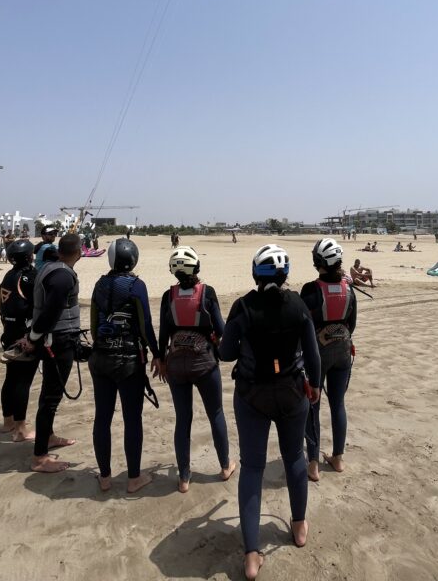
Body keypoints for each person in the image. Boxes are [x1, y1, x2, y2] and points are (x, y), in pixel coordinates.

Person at [219, 244, 321, 580]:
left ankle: (251, 555)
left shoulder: (243, 306)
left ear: (256, 274)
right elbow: (312, 352)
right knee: (294, 457)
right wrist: (316, 385)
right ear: (285, 274)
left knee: (252, 467)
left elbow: (226, 353)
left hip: (252, 395)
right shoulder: (298, 304)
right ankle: (299, 525)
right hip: (292, 392)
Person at [88, 238, 163, 493]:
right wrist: (156, 352)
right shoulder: (136, 285)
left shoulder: (99, 284)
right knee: (132, 420)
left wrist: (102, 346)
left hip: (100, 359)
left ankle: (105, 477)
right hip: (130, 360)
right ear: (134, 260)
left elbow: (95, 323)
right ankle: (133, 479)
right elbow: (145, 324)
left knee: (102, 418)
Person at [159, 246, 235, 493]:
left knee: (183, 419)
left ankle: (183, 478)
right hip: (204, 363)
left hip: (175, 364)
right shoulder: (207, 292)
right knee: (215, 414)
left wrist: (160, 359)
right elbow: (222, 330)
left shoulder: (167, 296)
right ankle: (225, 466)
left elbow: (163, 336)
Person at [16, 233, 84, 473]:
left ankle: (49, 437)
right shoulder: (62, 275)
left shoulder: (50, 267)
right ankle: (40, 458)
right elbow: (51, 311)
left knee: (50, 395)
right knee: (50, 399)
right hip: (57, 342)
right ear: (79, 251)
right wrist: (33, 337)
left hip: (54, 340)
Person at [302, 239, 356, 482]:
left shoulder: (311, 290)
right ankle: (338, 458)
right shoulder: (350, 289)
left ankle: (313, 462)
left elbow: (303, 325)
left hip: (318, 352)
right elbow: (352, 323)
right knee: (338, 404)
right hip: (343, 350)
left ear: (318, 262)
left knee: (313, 404)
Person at [0, 238, 39, 441]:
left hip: (8, 332)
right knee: (23, 381)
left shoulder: (8, 275)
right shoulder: (30, 276)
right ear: (30, 256)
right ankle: (21, 429)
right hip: (24, 335)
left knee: (11, 378)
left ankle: (8, 421)